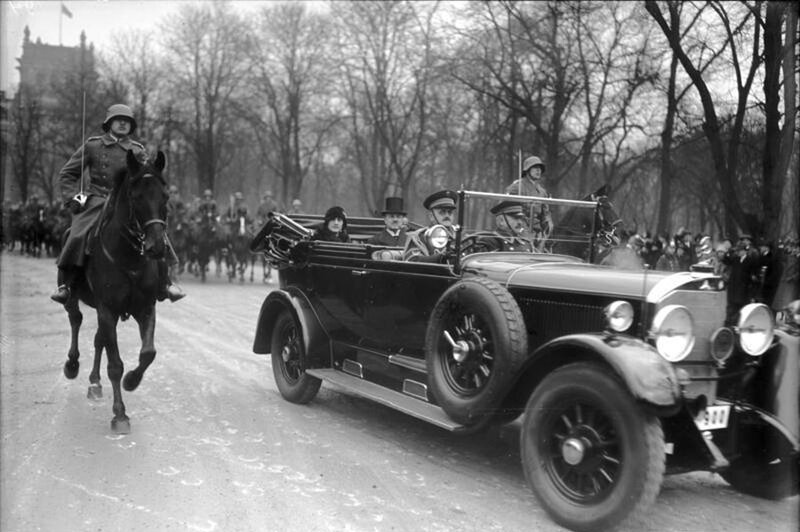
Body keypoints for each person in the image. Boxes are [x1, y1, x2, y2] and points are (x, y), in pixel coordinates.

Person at [50, 104, 184, 304]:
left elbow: (146, 178)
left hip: (127, 202)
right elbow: (68, 174)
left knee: (156, 231)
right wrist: (73, 198)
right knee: (77, 233)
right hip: (97, 199)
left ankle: (165, 282)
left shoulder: (137, 150)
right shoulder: (93, 146)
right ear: (109, 123)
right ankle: (67, 285)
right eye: (118, 120)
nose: (123, 123)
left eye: (127, 121)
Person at [505, 155, 553, 248]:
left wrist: (546, 231)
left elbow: (546, 215)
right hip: (518, 233)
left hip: (537, 235)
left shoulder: (542, 192)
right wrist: (523, 232)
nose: (538, 170)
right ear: (527, 170)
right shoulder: (516, 188)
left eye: (540, 168)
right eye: (535, 167)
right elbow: (507, 213)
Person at [403, 189, 458, 262]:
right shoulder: (419, 237)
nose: (447, 216)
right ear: (431, 216)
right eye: (442, 212)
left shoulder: (459, 236)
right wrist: (439, 258)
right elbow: (411, 260)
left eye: (450, 212)